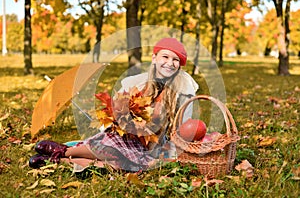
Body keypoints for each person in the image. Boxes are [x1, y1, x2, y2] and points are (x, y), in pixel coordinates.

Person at [29, 38, 199, 172]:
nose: (170, 63)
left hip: (154, 146)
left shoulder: (183, 91)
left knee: (119, 166)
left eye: (176, 60)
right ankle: (65, 151)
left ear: (179, 65)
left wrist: (171, 154)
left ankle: (59, 159)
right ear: (154, 58)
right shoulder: (138, 84)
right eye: (165, 56)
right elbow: (119, 110)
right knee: (112, 146)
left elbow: (184, 129)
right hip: (127, 137)